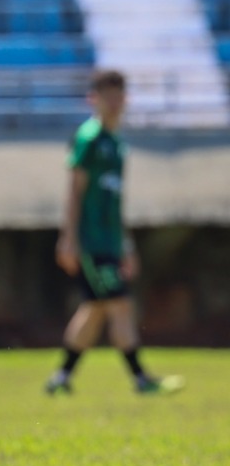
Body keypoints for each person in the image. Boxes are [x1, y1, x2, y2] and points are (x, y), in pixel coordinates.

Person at [45, 70, 181, 396]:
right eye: (107, 95)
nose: (114, 102)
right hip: (90, 242)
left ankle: (61, 378)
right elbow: (75, 192)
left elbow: (115, 202)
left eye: (119, 95)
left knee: (94, 310)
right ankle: (140, 378)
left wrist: (126, 245)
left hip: (110, 241)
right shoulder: (89, 139)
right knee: (119, 304)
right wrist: (68, 238)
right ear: (94, 99)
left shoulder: (118, 145)